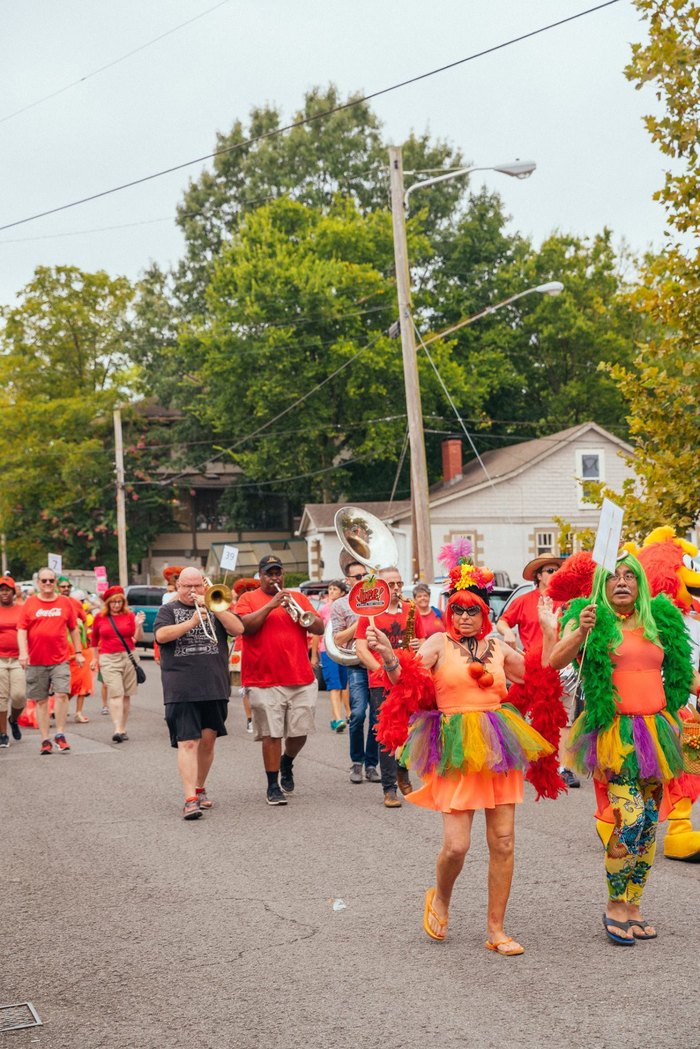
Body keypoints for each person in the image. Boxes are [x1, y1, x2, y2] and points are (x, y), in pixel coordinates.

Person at [367, 558, 554, 954]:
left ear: (484, 612)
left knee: (503, 841)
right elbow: (408, 683)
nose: (464, 617)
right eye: (457, 609)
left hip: (499, 743)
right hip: (454, 744)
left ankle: (496, 930)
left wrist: (554, 633)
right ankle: (441, 897)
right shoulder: (437, 643)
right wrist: (387, 655)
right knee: (457, 846)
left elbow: (540, 674)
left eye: (472, 610)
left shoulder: (499, 648)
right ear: (448, 609)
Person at [545, 554, 699, 945]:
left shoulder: (658, 620)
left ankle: (633, 904)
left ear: (640, 584)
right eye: (614, 577)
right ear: (603, 585)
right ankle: (615, 902)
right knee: (628, 819)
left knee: (649, 825)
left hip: (657, 732)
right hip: (615, 735)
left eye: (630, 576)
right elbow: (554, 659)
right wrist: (579, 632)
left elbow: (685, 673)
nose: (622, 582)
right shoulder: (591, 619)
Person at [155, 567, 243, 819]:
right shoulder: (168, 610)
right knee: (188, 741)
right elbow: (161, 636)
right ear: (178, 586)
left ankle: (200, 787)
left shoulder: (216, 607)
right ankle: (189, 799)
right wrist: (193, 621)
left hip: (213, 685)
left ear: (204, 586)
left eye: (197, 586)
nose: (192, 591)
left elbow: (238, 630)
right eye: (186, 586)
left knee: (207, 741)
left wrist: (216, 609)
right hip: (181, 687)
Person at [236, 555, 324, 806]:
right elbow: (245, 627)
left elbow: (318, 628)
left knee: (300, 731)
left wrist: (304, 615)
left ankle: (287, 761)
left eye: (278, 573)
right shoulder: (248, 599)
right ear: (260, 576)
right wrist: (270, 606)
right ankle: (272, 785)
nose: (274, 578)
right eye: (269, 573)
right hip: (263, 679)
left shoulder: (297, 598)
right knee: (271, 734)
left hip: (300, 676)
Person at [496, 554, 579, 788]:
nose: (555, 575)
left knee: (562, 718)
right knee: (518, 716)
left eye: (557, 571)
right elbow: (503, 621)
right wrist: (508, 632)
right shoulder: (524, 600)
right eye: (550, 571)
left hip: (561, 667)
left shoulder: (568, 601)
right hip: (529, 669)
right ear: (539, 575)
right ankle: (524, 760)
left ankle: (564, 767)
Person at [354, 566, 425, 808]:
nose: (396, 589)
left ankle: (402, 770)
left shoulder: (411, 610)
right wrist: (380, 669)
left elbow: (423, 642)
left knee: (410, 729)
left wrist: (419, 643)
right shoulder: (369, 614)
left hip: (408, 679)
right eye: (391, 585)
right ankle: (389, 788)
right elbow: (361, 648)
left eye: (398, 584)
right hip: (380, 681)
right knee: (387, 732)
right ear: (381, 588)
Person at [17, 567, 84, 755]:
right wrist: (23, 653)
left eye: (51, 581)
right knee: (41, 701)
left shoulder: (64, 602)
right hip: (36, 660)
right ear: (38, 583)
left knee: (62, 694)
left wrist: (78, 652)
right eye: (44, 581)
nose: (48, 584)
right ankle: (45, 738)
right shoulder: (30, 603)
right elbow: (22, 630)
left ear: (55, 583)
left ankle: (60, 734)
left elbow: (73, 628)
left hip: (60, 659)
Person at [331, 560, 380, 785]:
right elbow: (338, 638)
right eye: (357, 577)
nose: (363, 580)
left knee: (378, 718)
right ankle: (357, 762)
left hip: (377, 662)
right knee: (358, 714)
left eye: (365, 575)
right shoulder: (340, 605)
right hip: (356, 664)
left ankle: (372, 764)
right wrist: (361, 620)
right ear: (348, 581)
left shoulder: (379, 599)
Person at [90, 587, 145, 743]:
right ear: (108, 603)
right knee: (116, 692)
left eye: (119, 601)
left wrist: (139, 624)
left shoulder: (129, 615)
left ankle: (122, 727)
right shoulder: (100, 617)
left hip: (128, 657)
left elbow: (137, 637)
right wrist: (94, 658)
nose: (116, 605)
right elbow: (94, 641)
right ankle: (117, 728)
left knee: (126, 694)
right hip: (108, 657)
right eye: (113, 602)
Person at [311, 580, 349, 732]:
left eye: (335, 589)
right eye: (330, 589)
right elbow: (316, 634)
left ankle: (340, 716)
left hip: (344, 650)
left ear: (342, 593)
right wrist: (314, 655)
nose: (331, 591)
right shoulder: (324, 610)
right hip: (327, 650)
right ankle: (339, 718)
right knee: (334, 685)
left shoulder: (346, 608)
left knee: (344, 685)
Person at [57, 578, 93, 723]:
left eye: (68, 586)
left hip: (78, 649)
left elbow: (84, 620)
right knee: (66, 684)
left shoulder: (75, 603)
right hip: (60, 649)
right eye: (63, 586)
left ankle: (78, 712)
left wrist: (82, 638)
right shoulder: (53, 603)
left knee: (83, 682)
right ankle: (55, 709)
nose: (66, 588)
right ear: (57, 588)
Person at [0, 575, 26, 747]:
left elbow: (27, 632)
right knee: (1, 698)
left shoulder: (21, 610)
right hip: (0, 659)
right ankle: (3, 734)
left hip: (18, 659)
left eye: (7, 590)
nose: (4, 593)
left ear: (13, 591)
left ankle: (13, 719)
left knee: (19, 696)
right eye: (1, 590)